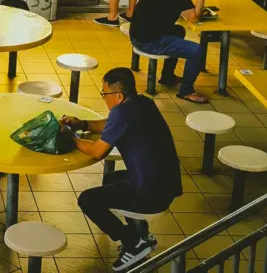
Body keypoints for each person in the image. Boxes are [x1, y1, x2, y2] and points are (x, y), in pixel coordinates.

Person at [63, 68, 181, 272]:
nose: (104, 99)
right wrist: (82, 124)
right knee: (111, 178)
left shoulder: (122, 112)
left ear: (118, 95)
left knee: (88, 200)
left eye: (104, 94)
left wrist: (70, 137)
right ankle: (142, 235)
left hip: (149, 194)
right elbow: (111, 124)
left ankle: (133, 242)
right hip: (166, 185)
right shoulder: (143, 103)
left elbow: (97, 151)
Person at [129, 0, 212, 103]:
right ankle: (186, 91)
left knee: (178, 31)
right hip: (148, 40)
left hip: (139, 34)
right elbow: (193, 17)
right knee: (197, 51)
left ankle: (167, 77)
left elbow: (179, 1)